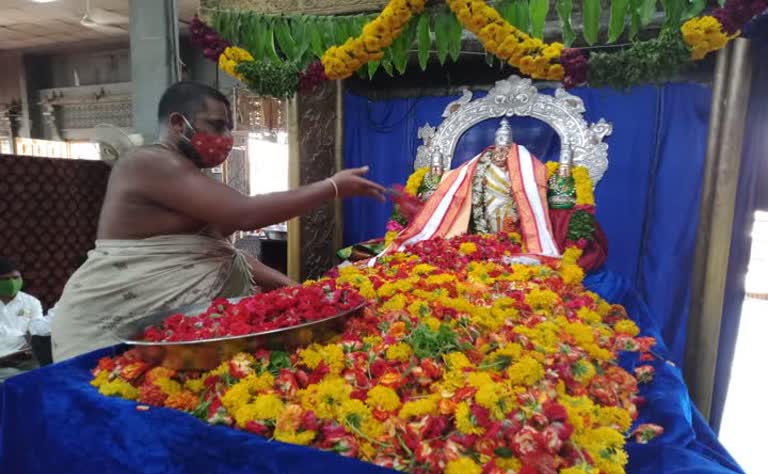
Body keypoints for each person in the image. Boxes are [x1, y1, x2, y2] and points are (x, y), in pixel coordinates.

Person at [52, 81, 384, 361]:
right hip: (105, 327)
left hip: (161, 332)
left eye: (228, 127)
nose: (226, 137)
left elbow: (225, 257)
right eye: (215, 125)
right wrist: (332, 187)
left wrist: (307, 295)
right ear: (178, 123)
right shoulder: (147, 163)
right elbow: (246, 213)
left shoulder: (188, 177)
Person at [381, 120, 607, 270]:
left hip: (511, 222)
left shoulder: (524, 169)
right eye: (497, 149)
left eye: (504, 149)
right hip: (484, 217)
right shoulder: (479, 167)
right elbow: (462, 190)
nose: (500, 154)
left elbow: (530, 195)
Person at [0, 257, 43, 362]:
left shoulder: (32, 302)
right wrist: (23, 339)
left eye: (16, 278)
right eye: (5, 279)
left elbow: (37, 329)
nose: (12, 282)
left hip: (24, 357)